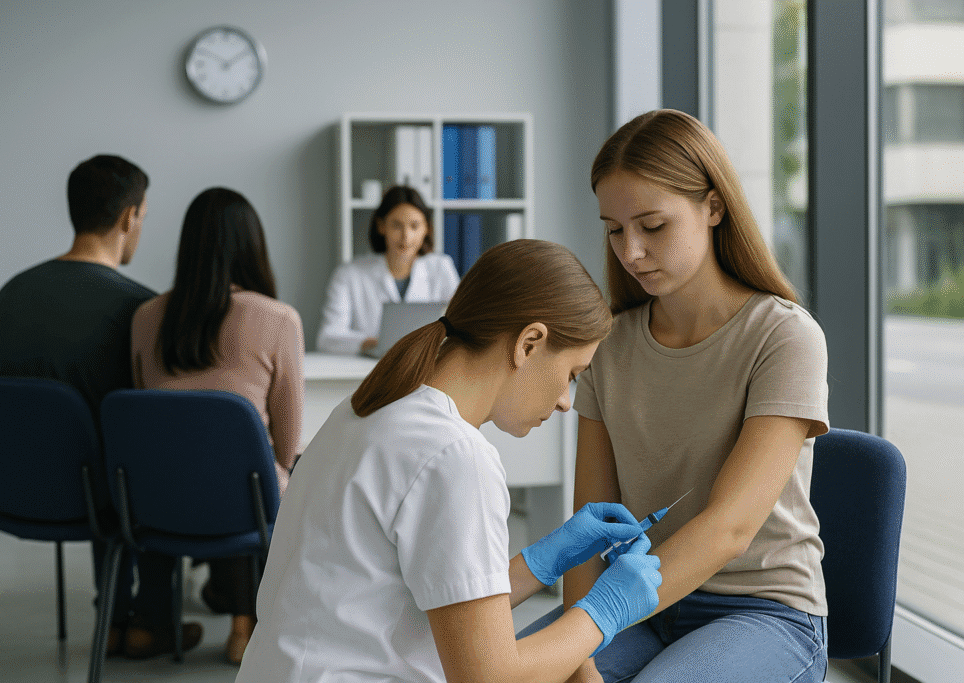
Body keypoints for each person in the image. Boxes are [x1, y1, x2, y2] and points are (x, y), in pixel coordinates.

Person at [237, 239, 663, 683]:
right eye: (571, 375)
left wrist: (543, 559)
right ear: (530, 343)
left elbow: (436, 596)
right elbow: (491, 678)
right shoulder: (455, 455)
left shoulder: (370, 406)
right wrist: (604, 612)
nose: (563, 402)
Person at [520, 109, 831, 683]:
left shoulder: (784, 336)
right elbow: (590, 523)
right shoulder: (607, 347)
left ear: (713, 207)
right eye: (614, 230)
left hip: (762, 611)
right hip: (638, 606)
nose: (631, 251)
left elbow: (729, 527)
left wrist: (594, 622)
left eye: (653, 226)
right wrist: (578, 658)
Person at [0, 154, 201, 658]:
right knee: (155, 456)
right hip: (104, 494)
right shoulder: (143, 310)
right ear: (129, 217)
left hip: (14, 489)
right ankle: (151, 620)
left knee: (105, 457)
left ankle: (114, 613)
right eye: (143, 217)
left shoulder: (9, 296)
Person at [130, 186, 304, 665]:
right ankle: (244, 626)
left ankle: (150, 621)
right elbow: (286, 447)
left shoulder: (145, 317)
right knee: (268, 476)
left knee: (180, 464)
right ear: (252, 245)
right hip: (241, 501)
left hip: (156, 503)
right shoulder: (278, 319)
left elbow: (144, 416)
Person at [316, 185, 459, 354]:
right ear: (382, 226)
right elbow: (327, 337)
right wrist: (373, 344)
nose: (406, 236)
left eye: (414, 226)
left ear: (426, 228)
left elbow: (459, 325)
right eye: (397, 226)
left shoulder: (441, 267)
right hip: (369, 369)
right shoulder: (349, 274)